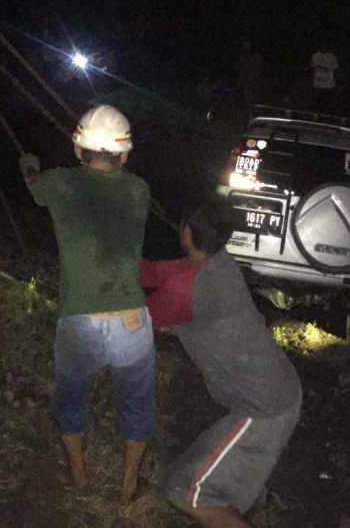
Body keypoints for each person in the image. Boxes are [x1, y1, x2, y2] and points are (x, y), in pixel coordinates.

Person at [19, 105, 154, 505]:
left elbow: (34, 186)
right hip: (131, 317)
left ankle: (79, 476)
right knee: (138, 401)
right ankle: (129, 484)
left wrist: (29, 167)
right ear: (125, 154)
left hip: (78, 318)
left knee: (72, 398)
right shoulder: (139, 189)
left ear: (78, 149)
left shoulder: (59, 183)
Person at [141, 199, 302, 528]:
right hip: (271, 391)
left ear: (186, 231)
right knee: (205, 486)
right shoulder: (216, 263)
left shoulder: (187, 288)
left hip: (264, 409)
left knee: (189, 491)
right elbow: (154, 272)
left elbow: (133, 319)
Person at [309, 40, 339, 114]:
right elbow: (312, 68)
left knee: (327, 103)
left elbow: (336, 70)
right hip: (317, 83)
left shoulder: (332, 56)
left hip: (329, 84)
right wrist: (312, 81)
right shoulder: (315, 56)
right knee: (318, 102)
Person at [236, 39, 263, 104]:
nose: (247, 47)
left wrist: (255, 74)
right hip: (243, 77)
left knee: (253, 91)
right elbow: (238, 65)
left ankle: (254, 103)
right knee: (243, 92)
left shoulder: (256, 55)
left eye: (248, 46)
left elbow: (259, 66)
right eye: (245, 46)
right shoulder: (242, 55)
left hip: (253, 77)